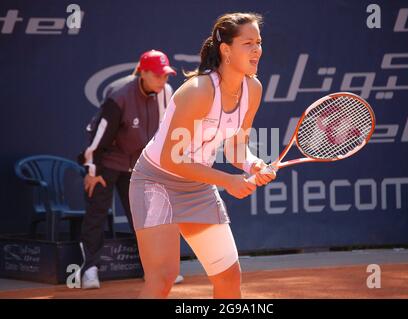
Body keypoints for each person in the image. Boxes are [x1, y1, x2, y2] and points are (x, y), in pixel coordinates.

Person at [129, 12, 275, 299]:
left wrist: (252, 163)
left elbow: (235, 147)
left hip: (196, 186)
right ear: (226, 50)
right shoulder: (197, 91)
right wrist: (227, 181)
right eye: (248, 43)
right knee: (162, 278)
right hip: (156, 182)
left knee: (229, 277)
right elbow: (173, 158)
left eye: (258, 42)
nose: (257, 49)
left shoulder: (253, 89)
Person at [77, 50, 184, 289]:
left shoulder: (165, 93)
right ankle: (90, 270)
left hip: (137, 166)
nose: (162, 81)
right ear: (143, 73)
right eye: (157, 76)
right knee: (97, 215)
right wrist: (91, 172)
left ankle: (153, 271)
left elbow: (165, 134)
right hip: (107, 162)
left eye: (165, 76)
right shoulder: (120, 95)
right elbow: (98, 137)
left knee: (146, 218)